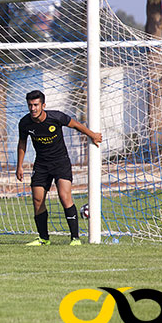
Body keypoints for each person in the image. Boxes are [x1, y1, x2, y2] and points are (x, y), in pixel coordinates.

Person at [16, 90, 102, 246]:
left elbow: (76, 125)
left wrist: (92, 135)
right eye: (30, 105)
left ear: (43, 105)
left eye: (36, 105)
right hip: (41, 164)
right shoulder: (25, 123)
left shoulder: (56, 117)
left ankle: (75, 238)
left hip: (60, 162)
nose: (33, 108)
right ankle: (43, 238)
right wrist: (19, 166)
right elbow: (22, 143)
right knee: (37, 199)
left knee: (64, 197)